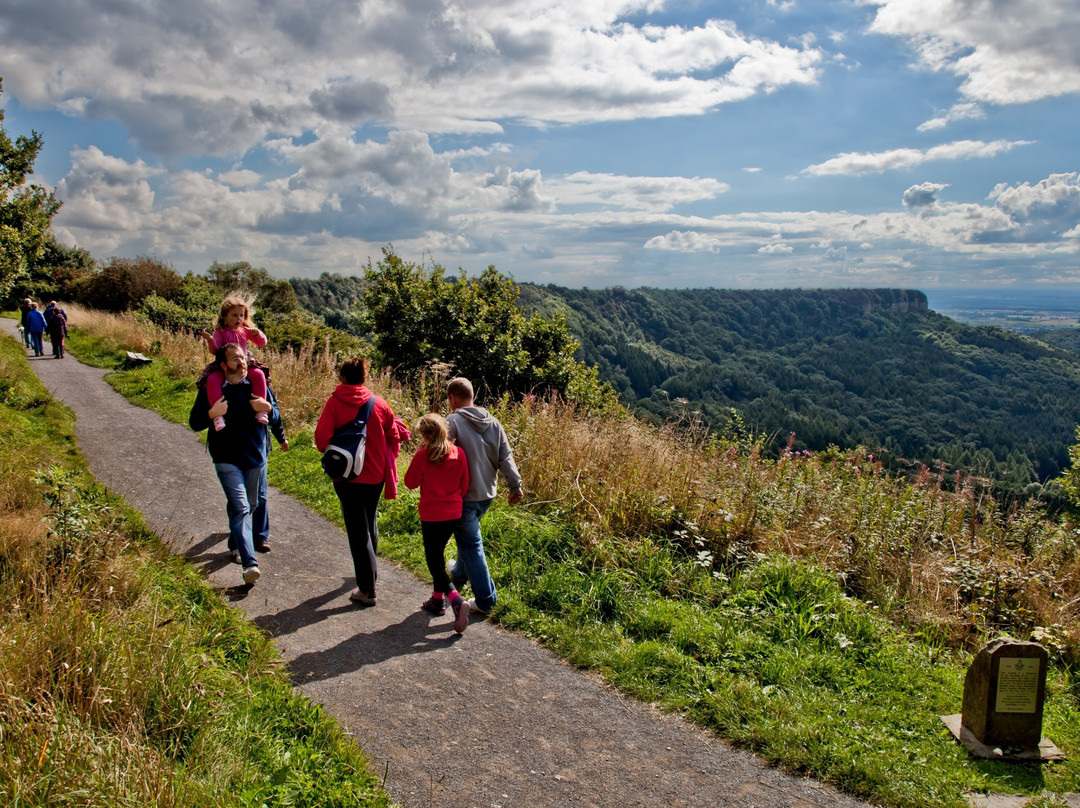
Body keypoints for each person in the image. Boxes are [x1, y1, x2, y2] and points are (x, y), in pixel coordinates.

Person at [314, 357, 399, 606]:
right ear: (364, 378)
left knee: (356, 529)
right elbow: (393, 437)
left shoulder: (334, 402)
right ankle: (369, 574)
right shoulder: (380, 404)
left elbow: (321, 439)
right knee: (369, 521)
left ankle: (367, 589)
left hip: (345, 475)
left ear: (342, 378)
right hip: (375, 474)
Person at [188, 343, 273, 587]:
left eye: (243, 357)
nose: (241, 362)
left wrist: (267, 408)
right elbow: (195, 422)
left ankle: (236, 544)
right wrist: (212, 414)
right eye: (235, 359)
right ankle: (249, 563)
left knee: (253, 504)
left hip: (255, 458)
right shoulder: (211, 388)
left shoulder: (258, 383)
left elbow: (275, 415)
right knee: (240, 507)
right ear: (223, 365)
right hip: (226, 458)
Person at [445, 377, 523, 616]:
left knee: (471, 544)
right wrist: (515, 486)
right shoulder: (494, 422)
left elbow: (442, 455)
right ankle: (459, 572)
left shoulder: (452, 421)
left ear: (452, 398)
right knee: (468, 536)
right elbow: (505, 458)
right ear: (472, 396)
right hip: (487, 494)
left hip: (465, 494)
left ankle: (486, 600)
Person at [404, 413, 471, 633]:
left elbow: (410, 483)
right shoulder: (459, 453)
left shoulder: (423, 455)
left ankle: (456, 601)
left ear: (424, 434)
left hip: (432, 515)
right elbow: (464, 485)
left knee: (434, 563)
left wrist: (418, 454)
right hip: (453, 513)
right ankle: (436, 599)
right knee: (438, 555)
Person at [201, 295, 270, 431]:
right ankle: (217, 416)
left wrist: (257, 334)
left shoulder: (245, 330)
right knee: (213, 379)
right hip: (225, 365)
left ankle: (261, 409)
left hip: (243, 365)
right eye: (234, 315)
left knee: (258, 374)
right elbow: (215, 351)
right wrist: (210, 341)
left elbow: (262, 343)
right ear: (225, 316)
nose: (238, 319)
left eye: (241, 315)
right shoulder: (220, 331)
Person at [251, 383, 288, 555]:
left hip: (259, 448)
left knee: (260, 495)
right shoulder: (225, 383)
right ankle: (238, 536)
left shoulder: (261, 385)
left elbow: (275, 415)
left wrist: (281, 438)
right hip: (234, 453)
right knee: (241, 497)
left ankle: (260, 537)